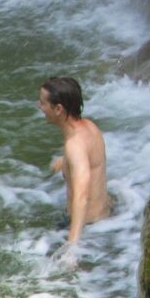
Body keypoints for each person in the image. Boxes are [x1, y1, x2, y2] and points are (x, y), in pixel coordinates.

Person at [40, 76, 112, 260]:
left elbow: (82, 195)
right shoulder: (90, 127)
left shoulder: (74, 146)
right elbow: (85, 158)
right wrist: (64, 162)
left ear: (58, 109)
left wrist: (72, 246)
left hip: (86, 228)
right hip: (105, 219)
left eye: (42, 103)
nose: (40, 107)